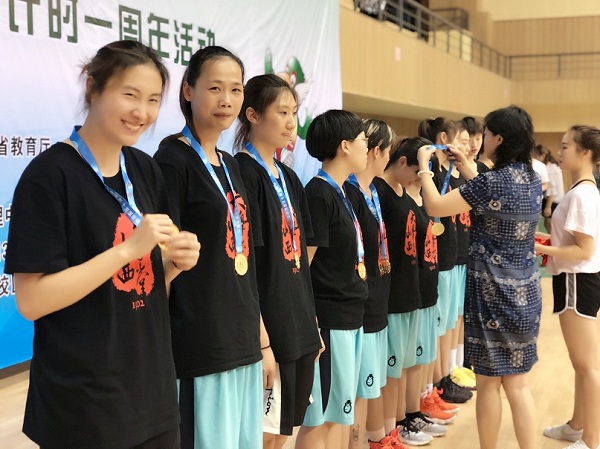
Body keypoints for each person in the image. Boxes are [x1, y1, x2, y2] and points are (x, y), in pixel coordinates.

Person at [4, 40, 201, 449]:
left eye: (151, 100)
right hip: (84, 400)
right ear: (93, 88)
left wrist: (172, 265)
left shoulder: (144, 169)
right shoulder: (50, 175)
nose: (142, 112)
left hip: (153, 392)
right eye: (129, 94)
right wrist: (127, 250)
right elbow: (31, 301)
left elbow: (145, 286)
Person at [154, 46, 271, 449]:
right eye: (215, 88)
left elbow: (246, 261)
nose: (227, 100)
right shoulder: (171, 159)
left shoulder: (231, 163)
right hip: (199, 342)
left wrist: (262, 339)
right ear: (188, 91)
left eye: (235, 89)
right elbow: (160, 258)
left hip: (240, 338)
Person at [417, 105, 542, 449]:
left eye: (485, 134)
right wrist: (469, 168)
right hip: (526, 294)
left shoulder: (491, 182)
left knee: (488, 384)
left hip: (492, 295)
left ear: (498, 138)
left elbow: (436, 207)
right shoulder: (530, 178)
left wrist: (426, 172)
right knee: (518, 385)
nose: (481, 139)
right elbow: (494, 196)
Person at [233, 74, 323, 449]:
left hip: (297, 320)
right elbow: (244, 264)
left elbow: (302, 257)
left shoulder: (288, 177)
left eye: (294, 112)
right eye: (282, 112)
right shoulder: (240, 172)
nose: (291, 123)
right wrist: (263, 340)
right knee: (263, 432)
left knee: (284, 429)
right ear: (252, 114)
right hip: (268, 325)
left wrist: (312, 322)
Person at [295, 110, 368, 449]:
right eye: (363, 141)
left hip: (349, 316)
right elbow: (303, 269)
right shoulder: (319, 194)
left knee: (339, 414)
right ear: (344, 146)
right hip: (328, 320)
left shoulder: (340, 192)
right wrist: (310, 324)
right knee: (320, 419)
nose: (367, 148)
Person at [374, 137, 442, 447]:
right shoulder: (380, 191)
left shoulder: (405, 193)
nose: (419, 179)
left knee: (403, 367)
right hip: (391, 296)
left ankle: (402, 421)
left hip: (410, 292)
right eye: (417, 172)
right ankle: (390, 430)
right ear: (401, 162)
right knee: (389, 372)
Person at [536, 126, 600, 449]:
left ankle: (592, 440)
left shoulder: (583, 194)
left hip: (578, 279)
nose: (559, 152)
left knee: (587, 366)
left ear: (585, 152)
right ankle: (577, 426)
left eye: (565, 146)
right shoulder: (579, 191)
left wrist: (542, 250)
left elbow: (584, 250)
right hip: (572, 278)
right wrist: (549, 241)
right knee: (580, 363)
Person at [343, 119, 399, 449]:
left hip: (379, 299)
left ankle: (370, 440)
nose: (388, 157)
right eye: (388, 150)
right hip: (359, 306)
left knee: (370, 387)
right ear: (376, 151)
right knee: (356, 392)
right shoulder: (349, 193)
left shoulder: (373, 190)